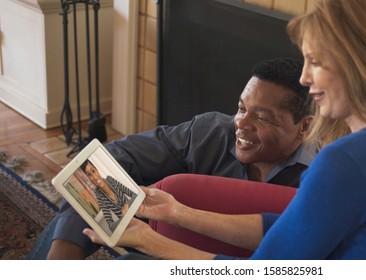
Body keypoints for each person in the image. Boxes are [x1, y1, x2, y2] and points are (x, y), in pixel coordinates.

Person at [83, 0, 366, 260]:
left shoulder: (348, 162)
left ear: (357, 67)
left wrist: (149, 241)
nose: (305, 78)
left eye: (314, 62)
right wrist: (179, 213)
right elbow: (294, 230)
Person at [26, 57, 314, 259]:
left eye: (261, 117)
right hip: (165, 248)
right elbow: (112, 157)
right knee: (73, 223)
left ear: (304, 127)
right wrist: (65, 249)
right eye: (241, 108)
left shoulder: (324, 179)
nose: (241, 123)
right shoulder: (210, 132)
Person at [81, 160, 137, 232]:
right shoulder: (99, 196)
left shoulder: (110, 180)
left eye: (93, 171)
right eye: (89, 175)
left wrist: (127, 204)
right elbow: (111, 226)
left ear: (97, 170)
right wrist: (124, 217)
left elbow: (134, 195)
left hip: (138, 213)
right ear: (88, 179)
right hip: (130, 227)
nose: (95, 177)